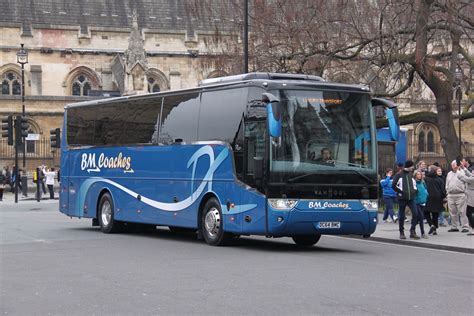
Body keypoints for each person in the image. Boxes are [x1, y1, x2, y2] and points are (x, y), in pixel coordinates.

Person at [392, 160, 419, 239]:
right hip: (402, 198)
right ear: (409, 166)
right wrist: (401, 192)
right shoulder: (399, 175)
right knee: (402, 215)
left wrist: (415, 191)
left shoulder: (411, 175)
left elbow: (414, 185)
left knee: (415, 214)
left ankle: (412, 231)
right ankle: (401, 232)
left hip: (411, 198)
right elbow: (393, 185)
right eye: (412, 166)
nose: (413, 168)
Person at [445, 160, 469, 233]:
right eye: (453, 165)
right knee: (452, 212)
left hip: (460, 194)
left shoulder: (462, 172)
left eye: (456, 165)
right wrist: (447, 191)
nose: (454, 166)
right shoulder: (449, 174)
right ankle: (454, 226)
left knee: (462, 211)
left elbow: (467, 181)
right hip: (451, 195)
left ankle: (465, 226)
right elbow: (447, 183)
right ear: (451, 166)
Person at [425, 165, 446, 235]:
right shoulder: (440, 179)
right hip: (438, 198)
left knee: (426, 212)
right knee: (435, 213)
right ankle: (434, 229)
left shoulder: (426, 179)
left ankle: (432, 225)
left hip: (428, 197)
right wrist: (443, 197)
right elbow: (443, 190)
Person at [456, 159, 474, 235]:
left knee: (469, 213)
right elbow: (469, 174)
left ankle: (473, 229)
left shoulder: (472, 179)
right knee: (469, 213)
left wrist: (458, 170)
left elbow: (463, 178)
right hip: (471, 198)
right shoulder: (472, 177)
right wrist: (463, 168)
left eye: (473, 171)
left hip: (472, 198)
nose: (472, 171)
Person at [414, 170, 428, 238]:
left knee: (417, 219)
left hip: (423, 201)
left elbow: (425, 189)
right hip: (417, 202)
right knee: (421, 217)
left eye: (420, 174)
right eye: (418, 174)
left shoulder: (423, 182)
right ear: (415, 175)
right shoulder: (414, 182)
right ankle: (423, 233)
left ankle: (412, 229)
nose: (419, 175)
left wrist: (426, 194)